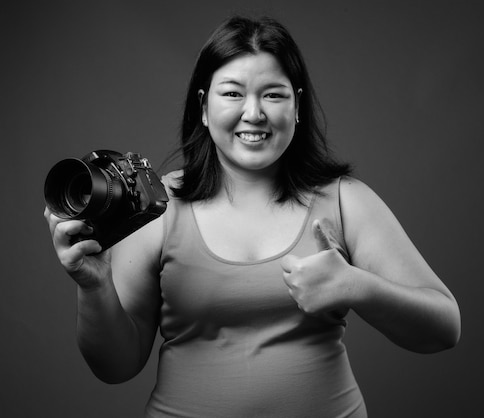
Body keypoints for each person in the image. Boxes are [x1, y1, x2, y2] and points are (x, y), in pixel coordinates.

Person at [44, 15, 461, 418]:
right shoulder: (158, 207)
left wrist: (356, 286)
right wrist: (93, 285)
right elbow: (115, 368)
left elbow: (444, 328)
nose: (254, 113)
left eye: (274, 94)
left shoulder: (345, 200)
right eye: (232, 93)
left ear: (297, 107)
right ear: (204, 108)